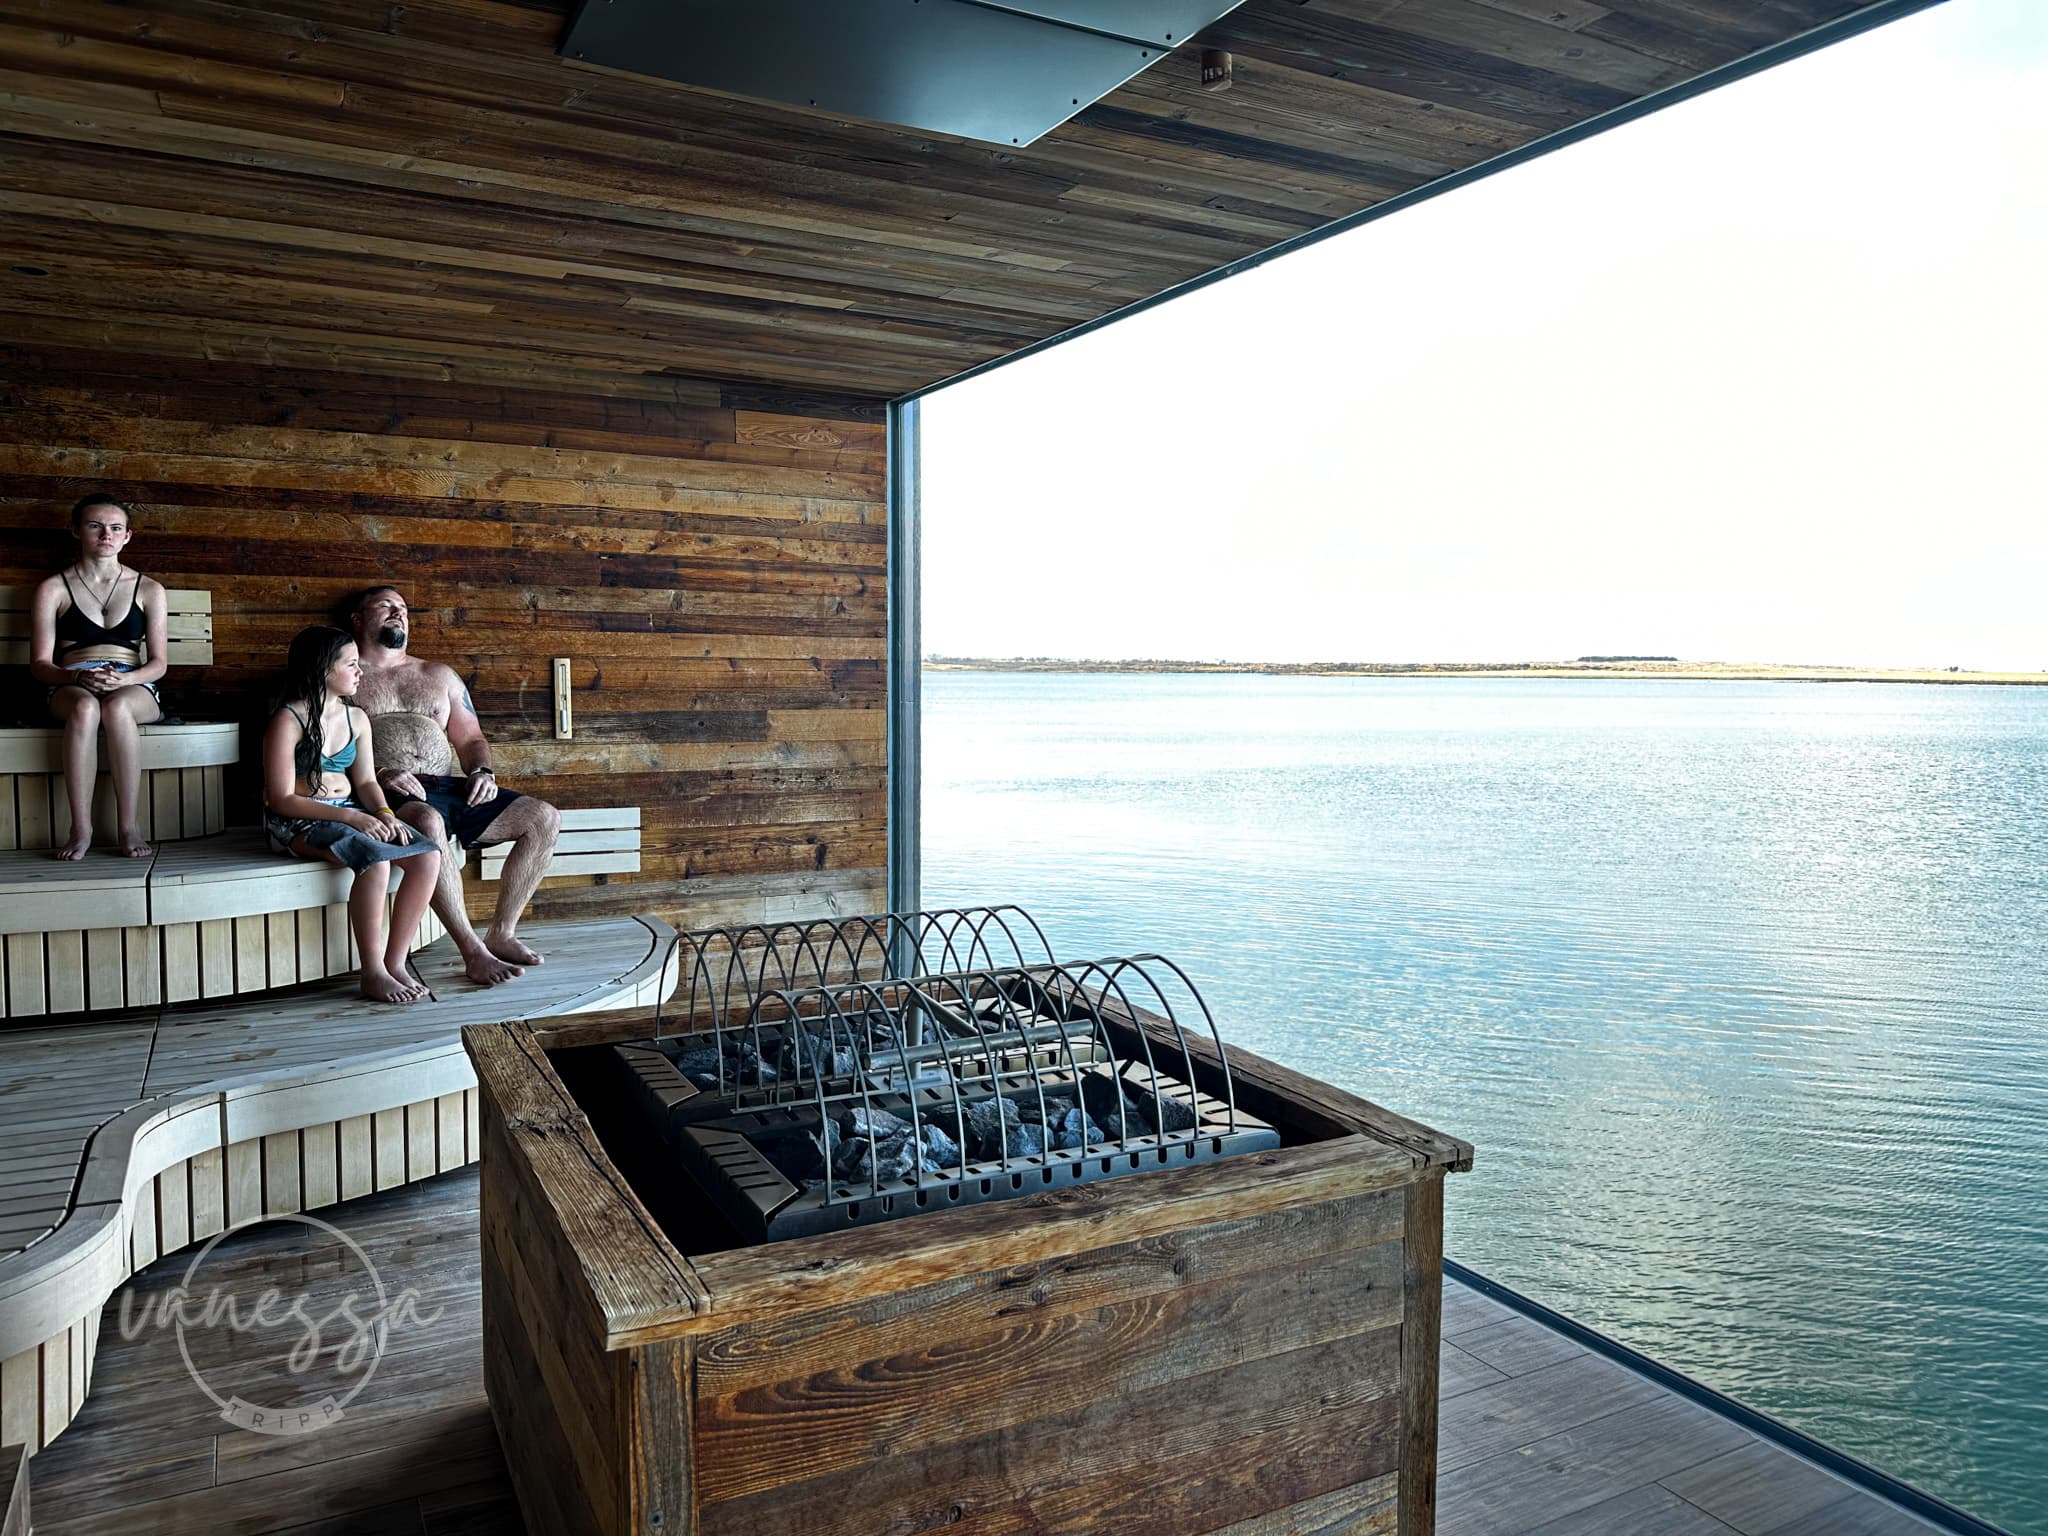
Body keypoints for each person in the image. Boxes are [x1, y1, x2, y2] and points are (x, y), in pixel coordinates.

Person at [344, 587, 560, 987]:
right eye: (386, 606)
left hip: (447, 785)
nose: (398, 614)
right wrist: (379, 772)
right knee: (428, 821)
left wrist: (482, 772)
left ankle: (503, 933)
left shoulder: (437, 675)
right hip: (382, 791)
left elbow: (471, 738)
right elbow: (326, 742)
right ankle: (473, 952)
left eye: (404, 609)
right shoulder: (345, 673)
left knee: (543, 817)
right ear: (358, 619)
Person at [263, 627, 443, 1006]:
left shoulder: (357, 718)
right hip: (299, 821)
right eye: (351, 664)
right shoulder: (288, 720)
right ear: (323, 670)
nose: (360, 671)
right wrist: (351, 820)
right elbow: (280, 799)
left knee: (427, 856)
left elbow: (364, 780)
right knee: (375, 862)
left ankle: (396, 963)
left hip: (350, 814)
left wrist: (382, 812)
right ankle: (372, 970)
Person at [27, 494, 171, 860]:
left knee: (119, 708)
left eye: (115, 528)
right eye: (95, 526)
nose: (106, 534)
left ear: (127, 537)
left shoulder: (150, 589)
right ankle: (81, 827)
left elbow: (159, 664)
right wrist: (75, 680)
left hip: (134, 682)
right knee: (86, 710)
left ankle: (128, 826)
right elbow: (40, 665)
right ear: (77, 531)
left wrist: (125, 680)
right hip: (72, 680)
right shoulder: (53, 589)